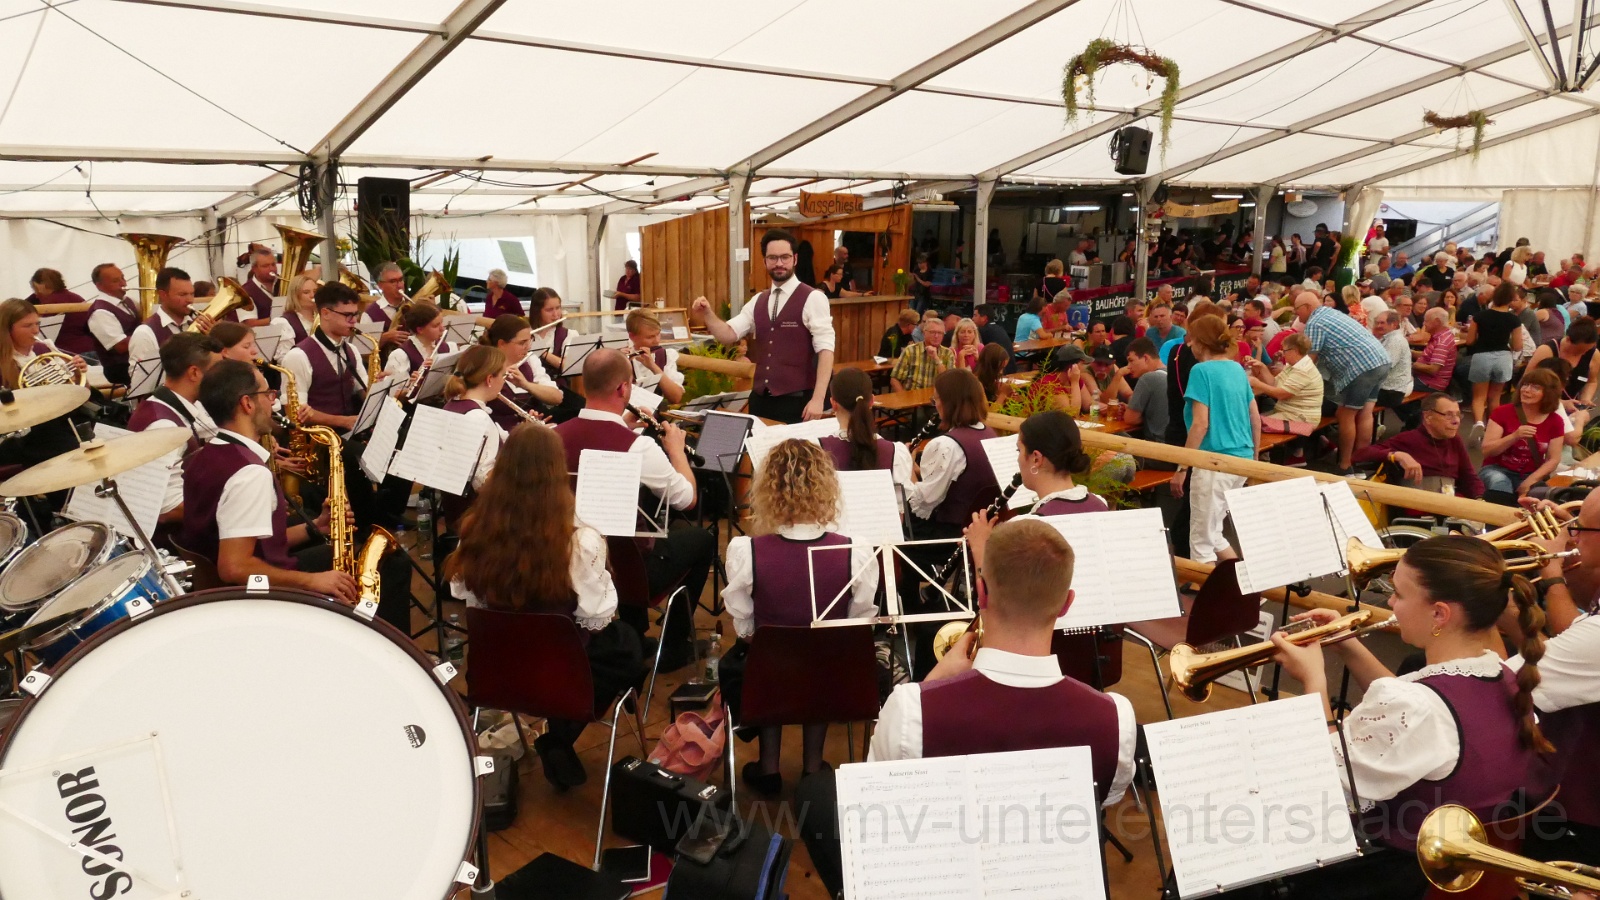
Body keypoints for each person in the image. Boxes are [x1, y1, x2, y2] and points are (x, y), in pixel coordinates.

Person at [795, 518, 1138, 898]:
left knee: (815, 792)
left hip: (941, 879)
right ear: (1067, 604)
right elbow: (1102, 802)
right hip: (1048, 883)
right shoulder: (1116, 717)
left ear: (982, 593)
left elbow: (878, 806)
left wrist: (930, 685)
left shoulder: (911, 709)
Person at [1257, 536, 1553, 900]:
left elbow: (1324, 778)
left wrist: (1313, 679)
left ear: (1439, 614)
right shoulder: (1503, 675)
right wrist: (1347, 644)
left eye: (1398, 593)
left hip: (1381, 879)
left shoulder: (1416, 706)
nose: (1390, 603)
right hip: (1443, 879)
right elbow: (1415, 712)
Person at [442, 423, 642, 790]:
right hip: (561, 678)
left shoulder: (474, 532)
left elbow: (467, 598)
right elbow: (597, 618)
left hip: (497, 673)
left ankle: (558, 737)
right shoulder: (579, 541)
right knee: (626, 642)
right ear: (557, 474)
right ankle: (559, 736)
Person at [720, 439, 880, 795]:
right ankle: (813, 767)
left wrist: (781, 639)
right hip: (830, 679)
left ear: (768, 489)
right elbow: (857, 624)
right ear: (825, 486)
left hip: (769, 680)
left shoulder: (747, 551)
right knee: (821, 656)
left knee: (765, 655)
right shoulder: (854, 550)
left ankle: (768, 768)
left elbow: (745, 627)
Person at [554, 349, 715, 671]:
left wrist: (625, 426)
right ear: (623, 388)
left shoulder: (552, 437)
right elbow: (686, 500)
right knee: (701, 539)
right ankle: (672, 648)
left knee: (628, 538)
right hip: (625, 572)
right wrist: (676, 451)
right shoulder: (637, 446)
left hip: (564, 562)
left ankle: (633, 635)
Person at [181, 359, 358, 603]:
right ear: (247, 403)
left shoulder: (206, 454)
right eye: (267, 394)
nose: (273, 402)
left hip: (231, 587)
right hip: (259, 597)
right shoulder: (250, 474)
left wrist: (315, 527)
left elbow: (255, 541)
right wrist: (313, 581)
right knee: (387, 565)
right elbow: (234, 568)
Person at [693, 229, 835, 423]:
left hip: (798, 401)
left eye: (784, 257)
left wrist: (818, 399)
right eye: (772, 258)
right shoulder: (758, 300)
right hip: (760, 400)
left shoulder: (813, 297)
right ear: (764, 261)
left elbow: (826, 350)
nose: (779, 263)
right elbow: (728, 334)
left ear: (795, 259)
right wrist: (708, 314)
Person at [1171, 315, 1261, 562]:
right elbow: (1255, 418)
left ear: (1201, 342)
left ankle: (1207, 587)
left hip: (1214, 462)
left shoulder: (1201, 371)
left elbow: (1200, 424)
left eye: (1192, 339)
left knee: (1201, 543)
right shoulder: (1237, 368)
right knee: (1214, 534)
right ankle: (1240, 581)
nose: (1189, 344)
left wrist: (1182, 468)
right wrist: (1254, 459)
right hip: (1241, 459)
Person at [125, 331, 220, 524]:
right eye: (217, 371)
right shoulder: (163, 426)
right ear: (194, 373)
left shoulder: (165, 405)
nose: (222, 379)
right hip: (171, 538)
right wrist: (234, 507)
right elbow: (169, 508)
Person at [1295, 290, 1390, 472]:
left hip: (1361, 367)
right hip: (1381, 360)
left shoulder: (1315, 322)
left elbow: (1309, 361)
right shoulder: (1332, 313)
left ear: (1307, 307)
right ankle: (1360, 462)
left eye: (1297, 309)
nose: (1296, 314)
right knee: (1365, 413)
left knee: (1345, 414)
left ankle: (1345, 465)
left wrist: (1287, 376)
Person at [906, 369, 1000, 538]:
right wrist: (918, 469)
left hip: (948, 534)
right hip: (977, 526)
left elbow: (922, 502)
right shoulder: (989, 433)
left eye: (936, 399)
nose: (935, 405)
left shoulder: (946, 445)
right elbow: (961, 479)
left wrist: (907, 466)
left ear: (948, 403)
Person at [1354, 393, 1484, 497]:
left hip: (1451, 504)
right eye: (1448, 415)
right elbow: (1359, 455)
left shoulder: (1455, 440)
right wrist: (1396, 455)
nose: (1456, 421)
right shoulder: (1409, 439)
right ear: (1428, 417)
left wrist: (1481, 499)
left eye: (1458, 415)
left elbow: (1469, 477)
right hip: (1419, 509)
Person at [281, 282, 368, 432]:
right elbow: (295, 411)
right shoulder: (298, 356)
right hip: (319, 437)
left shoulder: (352, 350)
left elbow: (363, 391)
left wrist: (382, 388)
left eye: (356, 314)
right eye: (348, 315)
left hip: (349, 432)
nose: (354, 320)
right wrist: (343, 421)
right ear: (326, 313)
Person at [821, 366, 914, 494]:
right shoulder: (896, 452)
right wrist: (911, 464)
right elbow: (905, 501)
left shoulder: (818, 451)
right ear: (872, 401)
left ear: (833, 404)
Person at [1480, 367, 1566, 503]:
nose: (1526, 390)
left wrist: (1530, 481)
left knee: (1539, 498)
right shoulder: (1502, 412)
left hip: (1530, 473)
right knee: (1500, 485)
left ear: (1549, 393)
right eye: (1525, 385)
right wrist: (1514, 436)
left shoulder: (1555, 421)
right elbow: (1487, 450)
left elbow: (1553, 459)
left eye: (1535, 387)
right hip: (1497, 468)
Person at [439, 344, 508, 493]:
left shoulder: (453, 403)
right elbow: (483, 482)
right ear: (489, 379)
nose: (504, 381)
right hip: (475, 505)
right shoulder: (478, 417)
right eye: (503, 375)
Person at [1014, 411, 1109, 515]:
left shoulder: (1029, 523)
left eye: (1019, 450)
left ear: (1036, 458)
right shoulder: (1101, 504)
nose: (1018, 459)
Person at [1464, 281, 1527, 436]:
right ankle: (1493, 429)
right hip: (1503, 358)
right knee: (1495, 397)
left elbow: (1469, 341)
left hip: (1482, 356)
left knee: (1479, 397)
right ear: (1510, 299)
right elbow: (1518, 346)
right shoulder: (1514, 319)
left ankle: (1478, 424)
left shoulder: (1479, 316)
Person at [483, 314, 565, 430]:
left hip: (528, 433)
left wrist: (525, 385)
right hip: (497, 434)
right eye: (522, 343)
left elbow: (557, 398)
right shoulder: (484, 367)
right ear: (501, 344)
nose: (528, 347)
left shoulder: (531, 361)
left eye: (530, 340)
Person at [129, 267, 211, 367]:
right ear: (163, 295)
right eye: (182, 294)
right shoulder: (145, 333)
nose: (190, 300)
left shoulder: (197, 325)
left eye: (192, 294)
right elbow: (141, 375)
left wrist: (212, 339)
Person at [81, 263, 141, 385]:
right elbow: (120, 346)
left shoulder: (129, 301)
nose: (123, 283)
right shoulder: (99, 312)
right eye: (116, 281)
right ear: (100, 286)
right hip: (120, 366)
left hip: (137, 358)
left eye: (123, 278)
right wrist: (149, 331)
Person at [1099, 337, 1168, 441]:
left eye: (1131, 361)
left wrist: (1130, 413)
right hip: (1175, 442)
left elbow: (1130, 419)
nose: (1129, 366)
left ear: (1145, 358)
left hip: (1156, 444)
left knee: (1109, 437)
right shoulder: (1171, 373)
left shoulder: (1148, 378)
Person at [1246, 332, 1323, 425]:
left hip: (1301, 418)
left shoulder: (1304, 369)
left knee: (1253, 424)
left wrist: (1257, 384)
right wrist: (1262, 367)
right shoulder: (1292, 365)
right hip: (1288, 413)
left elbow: (1281, 394)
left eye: (1284, 350)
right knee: (1252, 420)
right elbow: (1274, 383)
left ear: (1295, 351)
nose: (1283, 353)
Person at [1527, 316, 1600, 412]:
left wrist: (1585, 399)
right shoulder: (1546, 351)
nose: (1583, 354)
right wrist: (1561, 403)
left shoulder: (1593, 354)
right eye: (1579, 350)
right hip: (1541, 407)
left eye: (1587, 350)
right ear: (1568, 339)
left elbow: (1591, 381)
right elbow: (1526, 383)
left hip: (1570, 409)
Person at [382, 302, 456, 392]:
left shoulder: (449, 348)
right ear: (420, 330)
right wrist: (413, 386)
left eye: (441, 323)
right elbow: (392, 394)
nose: (442, 329)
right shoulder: (400, 356)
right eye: (436, 325)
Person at [623, 309, 685, 405]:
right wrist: (621, 365)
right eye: (650, 337)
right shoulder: (619, 357)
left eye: (658, 334)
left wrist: (653, 366)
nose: (657, 341)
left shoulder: (666, 356)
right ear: (632, 336)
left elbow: (676, 398)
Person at [30, 267, 93, 360]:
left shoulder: (50, 303)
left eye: (35, 288)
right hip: (90, 348)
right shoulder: (76, 297)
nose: (36, 293)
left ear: (42, 286)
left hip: (70, 352)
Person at [890, 315, 952, 392]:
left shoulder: (948, 353)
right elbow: (895, 379)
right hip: (912, 396)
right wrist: (903, 397)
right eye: (932, 332)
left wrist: (936, 359)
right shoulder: (910, 351)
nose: (936, 336)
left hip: (936, 397)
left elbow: (949, 381)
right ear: (924, 333)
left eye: (940, 333)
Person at [1372, 310, 1415, 420]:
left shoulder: (1395, 340)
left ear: (1394, 324)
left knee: (1347, 399)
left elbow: (1383, 367)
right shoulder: (1387, 338)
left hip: (1390, 392)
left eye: (1382, 323)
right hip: (1388, 389)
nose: (1378, 326)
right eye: (1377, 323)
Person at [363, 262, 411, 350]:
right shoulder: (370, 314)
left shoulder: (413, 306)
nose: (399, 285)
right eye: (393, 281)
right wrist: (385, 337)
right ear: (380, 285)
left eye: (401, 280)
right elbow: (365, 349)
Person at [1412, 307, 1458, 395]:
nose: (1424, 324)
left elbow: (1433, 369)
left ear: (1437, 321)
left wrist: (1411, 365)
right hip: (1426, 380)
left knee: (1393, 385)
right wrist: (1410, 353)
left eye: (1426, 321)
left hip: (1429, 384)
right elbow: (1429, 355)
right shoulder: (1444, 335)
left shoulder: (1442, 342)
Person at [276, 271, 319, 348]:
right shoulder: (285, 322)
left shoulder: (322, 317)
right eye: (306, 292)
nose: (312, 295)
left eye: (315, 291)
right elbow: (286, 354)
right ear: (295, 296)